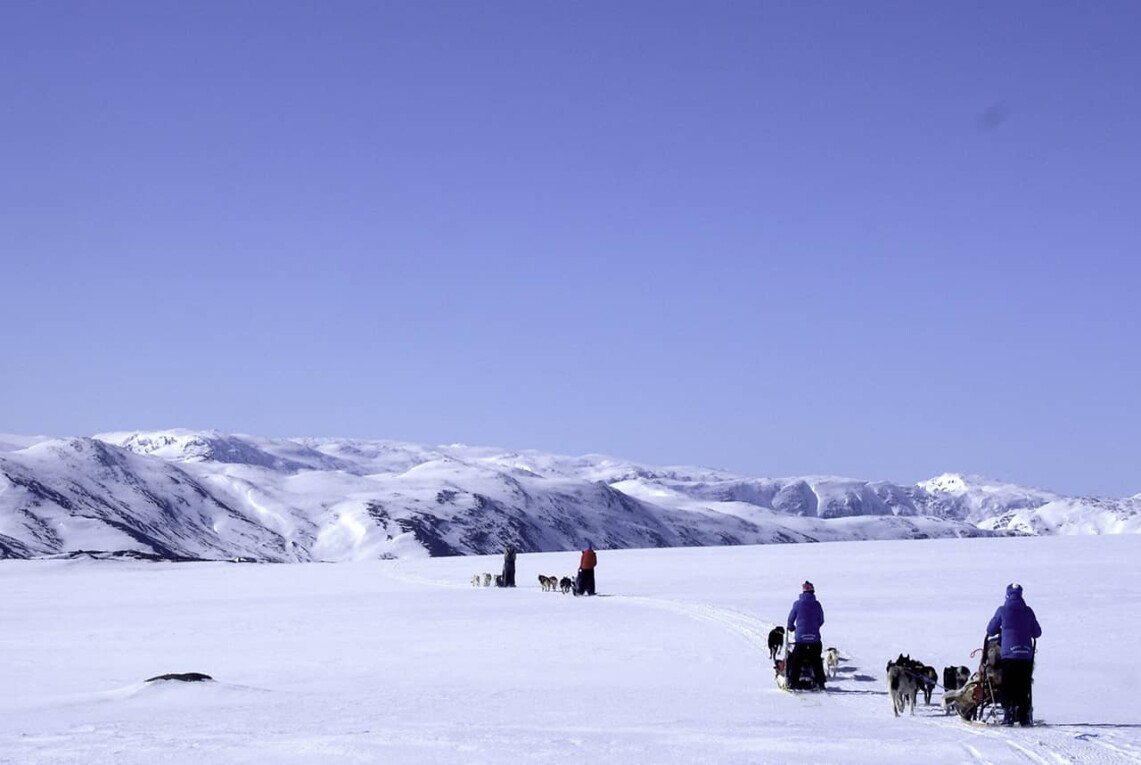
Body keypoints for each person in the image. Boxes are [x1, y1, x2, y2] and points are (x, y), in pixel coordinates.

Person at [985, 583, 1042, 726]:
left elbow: (991, 630)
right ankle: (1024, 716)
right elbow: (1037, 632)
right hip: (1026, 655)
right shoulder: (1028, 611)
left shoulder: (1002, 610)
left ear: (1007, 595)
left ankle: (1008, 714)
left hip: (1009, 654)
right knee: (1024, 685)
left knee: (1008, 684)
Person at [786, 580, 826, 691]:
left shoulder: (797, 604)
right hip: (815, 640)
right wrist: (814, 627)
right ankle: (821, 682)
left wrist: (792, 627)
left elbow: (790, 620)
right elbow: (821, 620)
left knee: (796, 661)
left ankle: (792, 682)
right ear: (813, 592)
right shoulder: (817, 604)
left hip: (801, 640)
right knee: (816, 661)